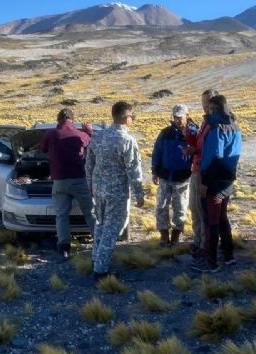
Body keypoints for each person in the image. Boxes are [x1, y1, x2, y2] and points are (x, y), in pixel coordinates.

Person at [86, 101, 144, 281]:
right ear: (127, 118)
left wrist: (91, 186)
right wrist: (139, 194)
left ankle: (95, 260)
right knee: (111, 231)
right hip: (116, 193)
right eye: (131, 116)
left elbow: (89, 165)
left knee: (100, 226)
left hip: (99, 190)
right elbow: (134, 170)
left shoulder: (97, 137)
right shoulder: (127, 140)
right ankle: (100, 271)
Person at [190, 95, 242, 273]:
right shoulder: (235, 126)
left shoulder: (216, 128)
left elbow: (213, 156)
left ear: (218, 109)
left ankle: (210, 262)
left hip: (214, 180)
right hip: (228, 178)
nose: (209, 112)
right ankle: (229, 256)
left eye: (212, 109)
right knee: (222, 218)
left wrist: (205, 181)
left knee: (210, 221)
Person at [40, 108, 95, 260]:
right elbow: (91, 142)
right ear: (73, 120)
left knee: (61, 215)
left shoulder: (51, 134)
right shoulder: (80, 134)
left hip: (59, 182)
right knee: (89, 213)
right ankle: (99, 242)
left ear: (58, 120)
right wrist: (88, 131)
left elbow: (42, 149)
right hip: (79, 180)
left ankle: (64, 248)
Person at [151, 104, 197, 247]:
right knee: (161, 205)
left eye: (180, 117)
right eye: (175, 117)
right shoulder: (165, 133)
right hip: (165, 176)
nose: (177, 120)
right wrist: (154, 170)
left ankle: (176, 236)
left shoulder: (194, 134)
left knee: (180, 207)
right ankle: (164, 235)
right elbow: (157, 151)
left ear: (187, 116)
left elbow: (199, 152)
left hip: (182, 177)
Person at [183, 89, 220, 255]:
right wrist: (188, 137)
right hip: (196, 169)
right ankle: (198, 241)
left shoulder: (216, 125)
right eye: (203, 102)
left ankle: (206, 245)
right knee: (194, 207)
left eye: (208, 101)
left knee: (203, 210)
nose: (205, 105)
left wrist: (195, 151)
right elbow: (199, 144)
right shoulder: (205, 122)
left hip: (206, 172)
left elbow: (214, 152)